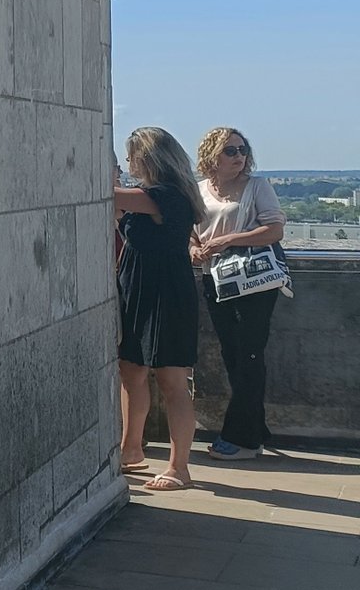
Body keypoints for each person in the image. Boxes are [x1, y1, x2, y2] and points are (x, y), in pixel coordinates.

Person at [115, 126, 205, 491]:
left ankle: (179, 468)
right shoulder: (158, 195)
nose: (127, 162)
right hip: (140, 292)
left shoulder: (165, 195)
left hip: (165, 295)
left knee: (172, 382)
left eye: (131, 155)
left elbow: (106, 195)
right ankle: (130, 450)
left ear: (147, 158)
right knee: (131, 373)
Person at [193, 127, 286, 458]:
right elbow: (192, 230)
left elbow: (274, 229)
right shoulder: (199, 190)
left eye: (243, 149)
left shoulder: (257, 187)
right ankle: (254, 431)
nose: (240, 156)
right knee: (233, 354)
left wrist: (227, 240)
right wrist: (195, 248)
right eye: (230, 150)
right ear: (212, 155)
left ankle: (240, 438)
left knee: (248, 354)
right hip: (214, 280)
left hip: (254, 284)